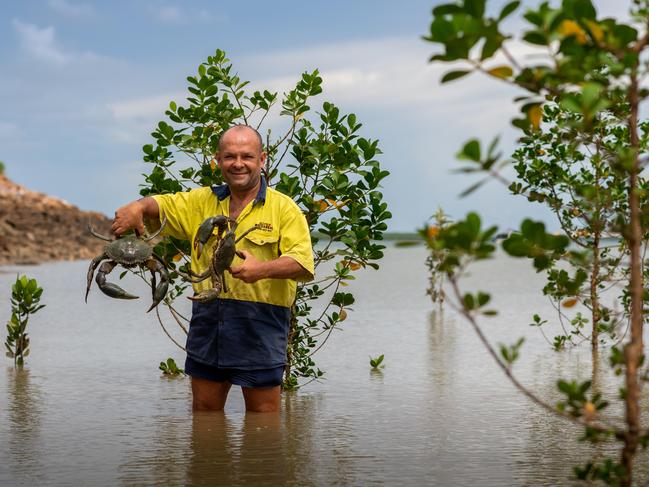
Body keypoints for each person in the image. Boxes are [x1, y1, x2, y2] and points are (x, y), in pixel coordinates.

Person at [111, 125, 314, 412]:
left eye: (247, 156)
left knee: (263, 422)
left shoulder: (284, 208)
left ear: (262, 159)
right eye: (230, 156)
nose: (238, 164)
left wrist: (262, 269)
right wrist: (137, 206)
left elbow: (303, 264)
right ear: (217, 160)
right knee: (205, 416)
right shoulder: (201, 201)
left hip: (262, 322)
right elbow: (162, 204)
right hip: (209, 319)